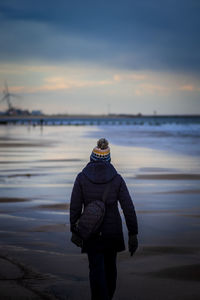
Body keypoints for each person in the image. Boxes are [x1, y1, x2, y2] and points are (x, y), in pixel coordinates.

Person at [70, 138, 138, 300]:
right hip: (112, 232)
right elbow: (128, 207)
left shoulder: (81, 177)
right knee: (110, 270)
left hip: (90, 232)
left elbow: (75, 206)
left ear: (91, 158)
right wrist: (133, 234)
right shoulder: (117, 178)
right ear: (109, 160)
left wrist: (74, 230)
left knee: (95, 271)